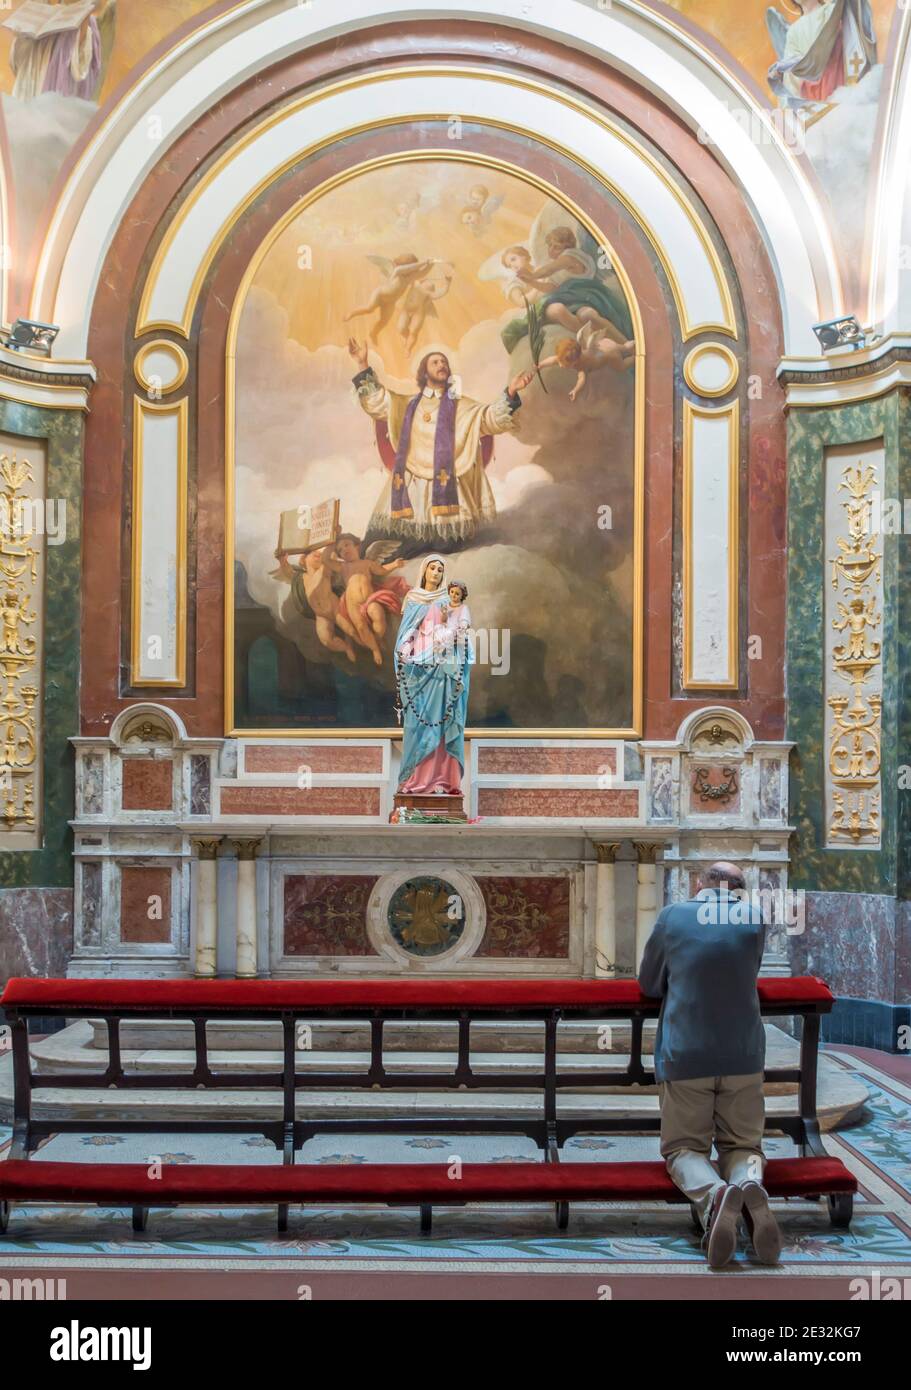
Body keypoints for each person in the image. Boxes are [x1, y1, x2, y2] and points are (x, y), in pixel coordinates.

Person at [638, 861, 781, 1268]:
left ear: (697, 884)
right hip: (743, 1052)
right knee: (744, 1145)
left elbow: (649, 984)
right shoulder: (754, 919)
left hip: (686, 1053)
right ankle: (749, 1182)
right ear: (739, 889)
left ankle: (715, 1196)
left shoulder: (673, 916)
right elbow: (748, 970)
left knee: (684, 1148)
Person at [348, 339, 533, 550]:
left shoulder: (462, 405)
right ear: (424, 373)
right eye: (435, 362)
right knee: (383, 545)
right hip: (411, 486)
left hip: (447, 487)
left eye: (444, 362)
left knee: (446, 547)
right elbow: (377, 401)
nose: (441, 365)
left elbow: (490, 419)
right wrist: (362, 363)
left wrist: (510, 392)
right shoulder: (405, 404)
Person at [393, 555, 473, 796]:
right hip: (418, 671)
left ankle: (442, 781)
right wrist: (406, 650)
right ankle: (414, 781)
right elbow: (407, 633)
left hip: (442, 670)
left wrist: (457, 640)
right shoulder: (413, 598)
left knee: (442, 723)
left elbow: (460, 631)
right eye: (432, 568)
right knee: (418, 722)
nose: (436, 572)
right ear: (424, 571)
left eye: (441, 569)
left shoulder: (448, 601)